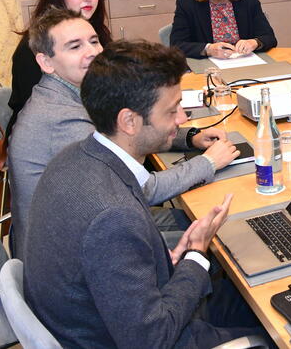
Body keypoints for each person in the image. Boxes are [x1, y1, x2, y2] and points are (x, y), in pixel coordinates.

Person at [24, 40, 270, 347]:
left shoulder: (74, 156)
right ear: (128, 121)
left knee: (243, 290)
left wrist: (164, 258)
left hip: (109, 314)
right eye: (171, 110)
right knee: (276, 327)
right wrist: (196, 254)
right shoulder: (113, 218)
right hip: (138, 336)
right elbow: (151, 339)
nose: (181, 119)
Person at [8, 9, 236, 257]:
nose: (93, 52)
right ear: (46, 62)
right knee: (221, 244)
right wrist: (208, 162)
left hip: (77, 226)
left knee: (197, 220)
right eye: (75, 47)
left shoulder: (70, 92)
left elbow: (128, 130)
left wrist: (190, 137)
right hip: (68, 251)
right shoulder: (63, 120)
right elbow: (143, 189)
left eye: (94, 41)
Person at [7, 0, 112, 132]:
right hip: (47, 134)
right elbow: (38, 111)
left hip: (88, 122)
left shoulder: (95, 32)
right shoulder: (32, 47)